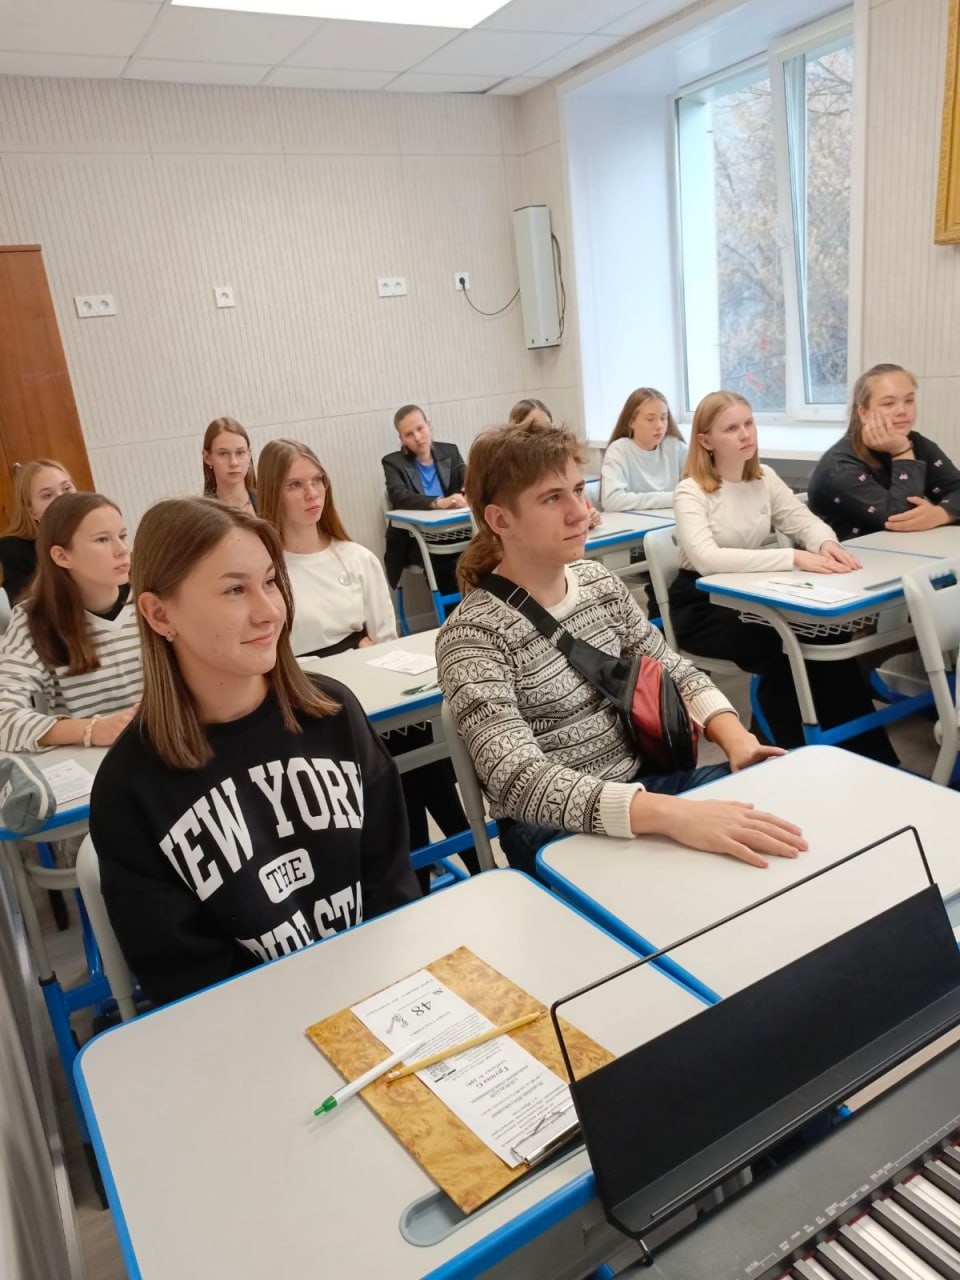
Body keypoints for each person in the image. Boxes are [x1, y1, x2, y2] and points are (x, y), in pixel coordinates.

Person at [437, 420, 807, 878]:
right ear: (500, 520)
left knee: (781, 809)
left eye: (578, 490)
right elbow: (519, 782)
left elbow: (672, 669)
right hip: (553, 832)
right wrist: (671, 815)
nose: (579, 513)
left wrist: (738, 741)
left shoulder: (598, 583)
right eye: (552, 499)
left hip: (646, 792)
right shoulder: (472, 634)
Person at [89, 498, 419, 1008]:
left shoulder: (335, 715)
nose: (269, 611)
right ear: (159, 613)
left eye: (270, 582)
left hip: (378, 990)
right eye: (235, 589)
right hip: (253, 1023)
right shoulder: (129, 787)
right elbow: (186, 980)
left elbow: (391, 887)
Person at [258, 439, 480, 881]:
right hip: (308, 707)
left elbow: (385, 643)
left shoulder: (354, 557)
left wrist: (368, 651)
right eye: (295, 485)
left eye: (317, 481)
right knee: (405, 767)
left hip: (371, 698)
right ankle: (443, 863)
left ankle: (435, 865)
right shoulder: (266, 572)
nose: (311, 493)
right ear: (271, 492)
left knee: (418, 752)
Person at [670, 391, 899, 763]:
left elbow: (803, 521)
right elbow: (707, 560)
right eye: (731, 428)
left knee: (827, 635)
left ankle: (865, 758)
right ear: (706, 441)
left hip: (752, 592)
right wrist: (793, 556)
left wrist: (825, 543)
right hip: (702, 605)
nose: (746, 434)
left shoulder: (764, 478)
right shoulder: (690, 491)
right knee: (782, 650)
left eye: (748, 423)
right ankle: (784, 758)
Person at [0, 492, 141, 753]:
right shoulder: (34, 620)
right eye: (102, 539)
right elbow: (4, 718)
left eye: (122, 536)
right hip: (91, 761)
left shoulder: (152, 603)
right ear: (62, 556)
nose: (122, 550)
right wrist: (92, 730)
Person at [808, 363, 960, 540]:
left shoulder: (915, 442)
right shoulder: (840, 466)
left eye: (909, 401)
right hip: (848, 554)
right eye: (889, 403)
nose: (902, 411)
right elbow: (902, 519)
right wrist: (902, 453)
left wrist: (941, 514)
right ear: (864, 413)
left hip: (901, 550)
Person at [382, 404, 466, 599]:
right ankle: (454, 613)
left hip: (457, 532)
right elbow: (399, 497)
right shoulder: (393, 462)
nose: (418, 437)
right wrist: (437, 503)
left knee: (482, 553)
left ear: (429, 425)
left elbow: (467, 479)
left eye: (420, 428)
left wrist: (467, 492)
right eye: (409, 434)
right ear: (402, 439)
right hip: (417, 539)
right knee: (444, 563)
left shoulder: (450, 451)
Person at [507, 397, 601, 527]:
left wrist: (590, 515)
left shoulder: (562, 465)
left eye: (547, 429)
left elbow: (583, 509)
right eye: (534, 430)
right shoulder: (511, 475)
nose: (542, 436)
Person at [0, 459, 76, 603]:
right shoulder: (14, 547)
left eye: (67, 488)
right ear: (32, 511)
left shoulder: (99, 531)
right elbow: (23, 604)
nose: (63, 498)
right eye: (47, 495)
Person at [601, 388, 687, 512]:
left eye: (663, 418)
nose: (660, 426)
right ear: (631, 422)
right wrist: (674, 498)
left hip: (669, 519)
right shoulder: (618, 450)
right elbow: (612, 500)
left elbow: (700, 487)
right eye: (650, 419)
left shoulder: (675, 446)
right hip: (631, 521)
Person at [202, 417, 257, 513]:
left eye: (240, 452)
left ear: (249, 455)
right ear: (207, 457)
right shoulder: (201, 516)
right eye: (223, 454)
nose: (233, 462)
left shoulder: (270, 503)